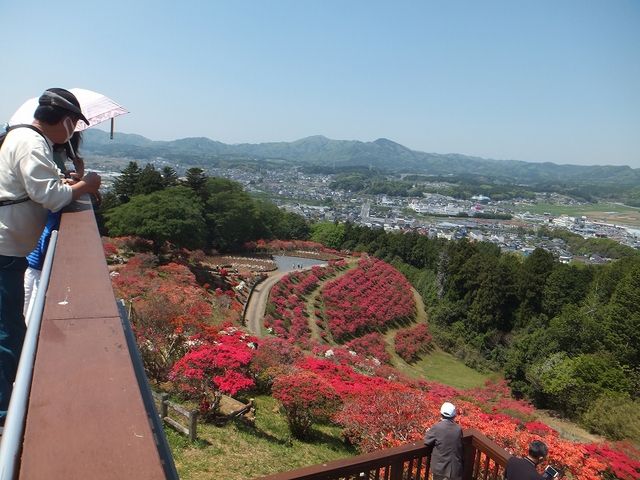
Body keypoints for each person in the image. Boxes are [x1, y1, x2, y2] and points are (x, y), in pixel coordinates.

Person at [0, 88, 101, 432]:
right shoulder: (32, 143)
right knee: (8, 332)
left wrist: (69, 180)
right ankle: (4, 414)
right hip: (6, 250)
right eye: (74, 127)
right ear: (68, 122)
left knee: (9, 326)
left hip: (11, 248)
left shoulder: (23, 137)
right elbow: (51, 197)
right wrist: (85, 185)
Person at [424, 402, 464, 480]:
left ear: (441, 413)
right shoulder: (458, 428)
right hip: (455, 469)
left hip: (440, 469)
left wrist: (430, 432)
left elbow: (427, 441)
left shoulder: (437, 427)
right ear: (454, 416)